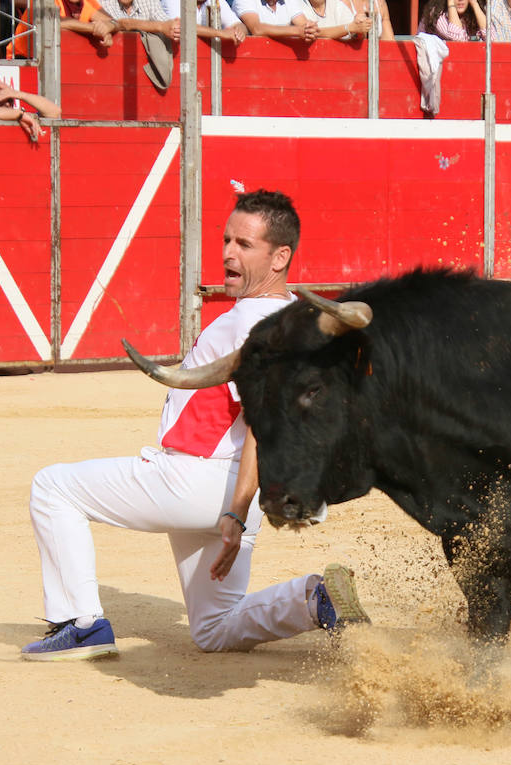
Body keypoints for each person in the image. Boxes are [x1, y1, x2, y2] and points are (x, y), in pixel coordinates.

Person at [23, 189, 370, 660]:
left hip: (201, 480)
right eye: (227, 239)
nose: (228, 252)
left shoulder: (252, 325)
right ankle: (313, 601)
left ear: (279, 256)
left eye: (245, 245)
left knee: (53, 488)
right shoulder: (291, 319)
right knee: (213, 629)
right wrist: (239, 510)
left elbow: (261, 425)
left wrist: (235, 508)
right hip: (230, 492)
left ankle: (80, 624)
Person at [0, 80, 62, 144]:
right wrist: (19, 115)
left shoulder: (24, 117)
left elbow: (54, 111)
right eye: (1, 99)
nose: (7, 104)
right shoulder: (21, 116)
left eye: (10, 100)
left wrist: (18, 94)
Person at [234, 0, 319, 41]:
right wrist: (297, 31)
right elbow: (257, 29)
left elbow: (304, 25)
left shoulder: (290, 1)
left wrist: (310, 29)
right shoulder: (244, 1)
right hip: (253, 63)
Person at [300, 0, 373, 40]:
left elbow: (357, 34)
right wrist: (348, 28)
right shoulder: (297, 5)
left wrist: (360, 27)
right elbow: (312, 32)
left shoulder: (337, 5)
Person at [422, 0, 487, 40]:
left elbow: (491, 38)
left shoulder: (470, 16)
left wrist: (475, 4)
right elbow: (458, 38)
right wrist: (451, 4)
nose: (460, 0)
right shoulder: (437, 14)